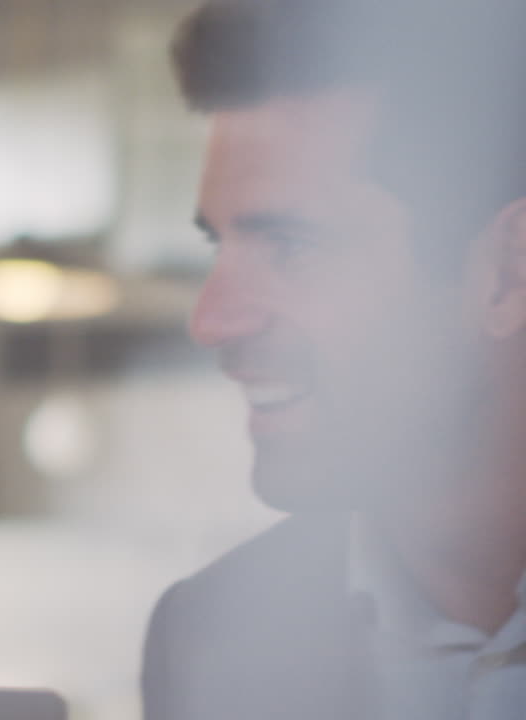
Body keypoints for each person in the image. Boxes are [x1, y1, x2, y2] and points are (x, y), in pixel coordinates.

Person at [141, 0, 526, 718]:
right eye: (216, 246)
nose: (211, 320)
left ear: (508, 273)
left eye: (293, 247)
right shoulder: (207, 640)